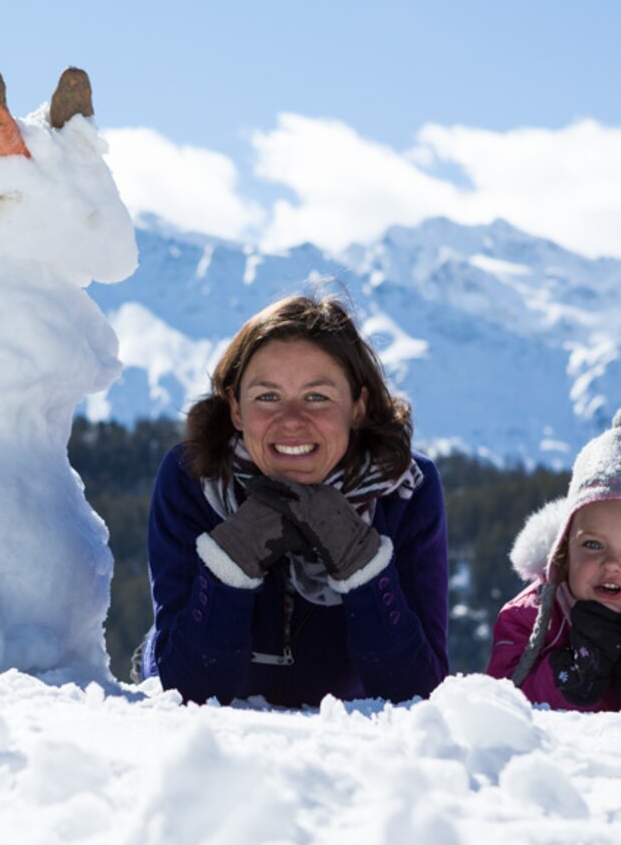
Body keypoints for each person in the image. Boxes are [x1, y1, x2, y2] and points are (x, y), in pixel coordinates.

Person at [137, 294, 449, 706]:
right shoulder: (194, 477)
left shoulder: (405, 490)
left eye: (317, 397)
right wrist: (232, 559)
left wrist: (362, 564)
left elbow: (416, 693)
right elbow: (187, 692)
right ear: (235, 409)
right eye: (267, 397)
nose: (291, 421)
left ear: (358, 406)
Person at [486, 398, 621, 712]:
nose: (613, 564)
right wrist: (567, 678)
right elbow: (497, 711)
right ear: (564, 551)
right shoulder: (528, 620)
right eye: (593, 544)